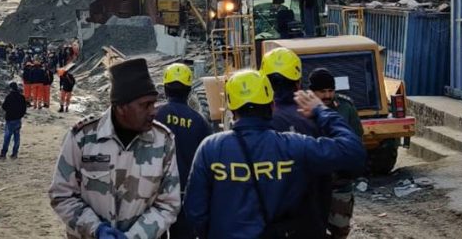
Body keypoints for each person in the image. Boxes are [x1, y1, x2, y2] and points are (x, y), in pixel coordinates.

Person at [184, 70, 366, 239]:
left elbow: (194, 211)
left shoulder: (210, 149)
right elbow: (352, 151)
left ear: (232, 110)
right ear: (271, 106)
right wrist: (321, 111)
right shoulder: (294, 145)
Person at [49, 58, 181, 239]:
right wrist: (96, 230)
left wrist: (135, 236)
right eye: (145, 105)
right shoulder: (82, 138)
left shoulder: (163, 141)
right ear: (121, 107)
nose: (154, 111)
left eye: (154, 103)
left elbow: (169, 204)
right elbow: (62, 194)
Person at [262, 47, 330, 235]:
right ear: (298, 82)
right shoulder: (314, 119)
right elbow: (327, 177)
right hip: (309, 223)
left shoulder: (259, 123)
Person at [154, 64, 212, 239]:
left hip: (155, 196)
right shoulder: (200, 122)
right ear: (189, 90)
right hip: (185, 198)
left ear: (165, 89)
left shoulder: (153, 115)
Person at [309, 68, 365, 239]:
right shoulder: (303, 110)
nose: (327, 95)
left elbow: (356, 140)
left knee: (340, 230)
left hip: (340, 184)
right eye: (322, 91)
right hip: (313, 185)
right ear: (312, 91)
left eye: (330, 90)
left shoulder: (346, 107)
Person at [0, 82, 28, 159]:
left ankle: (3, 154)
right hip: (18, 119)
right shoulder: (21, 97)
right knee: (17, 137)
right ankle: (15, 153)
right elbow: (24, 108)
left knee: (7, 137)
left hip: (10, 119)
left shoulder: (9, 97)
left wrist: (9, 111)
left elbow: (4, 106)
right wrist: (20, 115)